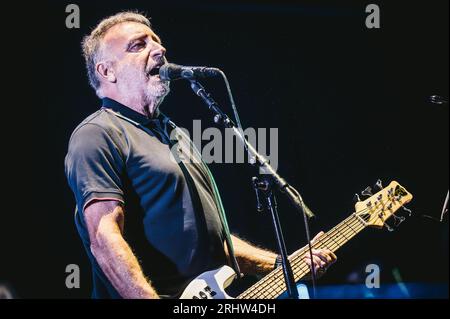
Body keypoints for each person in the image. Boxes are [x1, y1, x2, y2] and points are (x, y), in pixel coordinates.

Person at [65, 11, 336, 299]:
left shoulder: (175, 134)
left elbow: (215, 242)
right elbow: (104, 238)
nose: (159, 50)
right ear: (107, 71)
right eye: (138, 45)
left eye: (157, 42)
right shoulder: (97, 134)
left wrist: (284, 265)